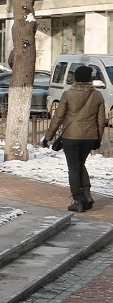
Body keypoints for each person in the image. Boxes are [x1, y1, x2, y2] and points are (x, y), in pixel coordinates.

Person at [41, 64, 107, 212]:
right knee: (80, 165)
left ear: (76, 78)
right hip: (89, 137)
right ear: (89, 79)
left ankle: (77, 201)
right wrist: (98, 139)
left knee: (74, 168)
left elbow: (58, 117)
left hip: (71, 137)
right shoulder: (97, 95)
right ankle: (87, 195)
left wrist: (48, 137)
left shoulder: (68, 94)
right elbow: (101, 120)